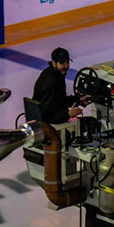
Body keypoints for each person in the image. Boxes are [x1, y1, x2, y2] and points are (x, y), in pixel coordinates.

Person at [31, 48, 87, 206]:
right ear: (54, 63)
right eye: (62, 63)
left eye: (67, 62)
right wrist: (68, 114)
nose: (66, 66)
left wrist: (77, 100)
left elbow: (59, 100)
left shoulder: (55, 75)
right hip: (48, 124)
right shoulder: (50, 82)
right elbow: (47, 114)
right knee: (82, 126)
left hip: (52, 116)